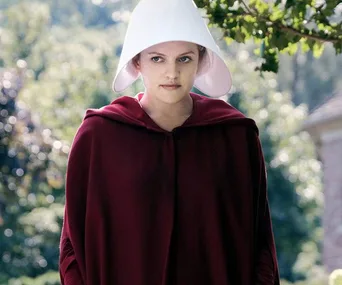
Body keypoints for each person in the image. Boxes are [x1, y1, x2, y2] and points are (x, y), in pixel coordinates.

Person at [58, 0, 280, 284]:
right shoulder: (98, 136)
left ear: (200, 59)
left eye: (184, 58)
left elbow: (261, 243)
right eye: (157, 58)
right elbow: (72, 245)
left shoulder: (236, 135)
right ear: (137, 61)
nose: (172, 73)